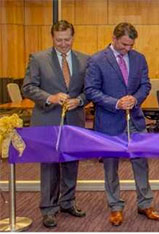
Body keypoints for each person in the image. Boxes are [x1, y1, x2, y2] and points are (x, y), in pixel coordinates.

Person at [84, 22, 159, 226]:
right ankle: (115, 207)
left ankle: (145, 203)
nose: (128, 49)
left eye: (131, 45)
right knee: (110, 166)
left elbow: (146, 84)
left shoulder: (139, 58)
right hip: (109, 120)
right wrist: (116, 103)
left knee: (141, 163)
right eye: (124, 44)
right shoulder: (97, 60)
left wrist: (135, 99)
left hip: (135, 119)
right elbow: (91, 90)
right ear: (114, 38)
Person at [22, 20, 88, 228]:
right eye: (59, 40)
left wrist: (79, 100)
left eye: (67, 39)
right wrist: (50, 97)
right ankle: (48, 209)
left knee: (71, 162)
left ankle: (68, 202)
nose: (63, 44)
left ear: (72, 37)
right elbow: (28, 87)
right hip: (47, 119)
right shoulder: (38, 59)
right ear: (52, 38)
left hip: (74, 119)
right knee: (49, 165)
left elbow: (90, 89)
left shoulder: (85, 60)